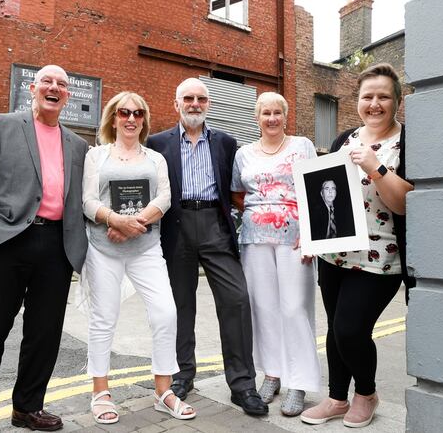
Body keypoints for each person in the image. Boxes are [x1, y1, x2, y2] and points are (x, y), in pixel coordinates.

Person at [0, 64, 89, 433]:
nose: (54, 87)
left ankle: (27, 408)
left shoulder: (77, 144)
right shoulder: (2, 125)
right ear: (32, 88)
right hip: (9, 240)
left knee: (44, 334)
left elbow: (79, 196)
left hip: (56, 244)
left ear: (68, 96)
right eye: (47, 81)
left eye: (61, 84)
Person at [300, 63, 414, 428]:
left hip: (381, 259)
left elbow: (405, 205)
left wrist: (377, 167)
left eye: (383, 96)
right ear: (358, 101)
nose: (375, 103)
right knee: (335, 328)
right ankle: (336, 398)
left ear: (396, 101)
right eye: (368, 96)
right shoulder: (345, 139)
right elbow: (324, 194)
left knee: (351, 330)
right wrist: (311, 231)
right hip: (334, 254)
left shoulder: (407, 141)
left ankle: (366, 393)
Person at [146, 77, 267, 416]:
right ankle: (182, 375)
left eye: (201, 98)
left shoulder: (227, 143)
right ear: (176, 104)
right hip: (176, 225)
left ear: (208, 104)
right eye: (188, 98)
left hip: (215, 223)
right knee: (180, 306)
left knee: (237, 300)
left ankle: (242, 384)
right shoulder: (157, 143)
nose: (195, 103)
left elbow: (240, 190)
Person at [81, 91, 195, 424]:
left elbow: (165, 197)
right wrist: (114, 221)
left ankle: (163, 391)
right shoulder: (96, 156)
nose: (131, 119)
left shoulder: (154, 158)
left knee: (165, 312)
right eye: (124, 112)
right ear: (112, 118)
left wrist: (134, 224)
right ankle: (100, 391)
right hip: (103, 249)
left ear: (144, 120)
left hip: (145, 248)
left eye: (138, 113)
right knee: (104, 319)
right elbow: (88, 201)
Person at [230, 92, 322, 416]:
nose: (271, 118)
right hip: (254, 238)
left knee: (294, 308)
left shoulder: (302, 146)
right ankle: (272, 374)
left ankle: (298, 382)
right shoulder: (243, 154)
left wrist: (312, 237)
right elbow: (238, 195)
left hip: (295, 239)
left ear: (285, 116)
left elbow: (316, 188)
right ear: (257, 118)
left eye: (277, 113)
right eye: (265, 113)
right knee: (263, 308)